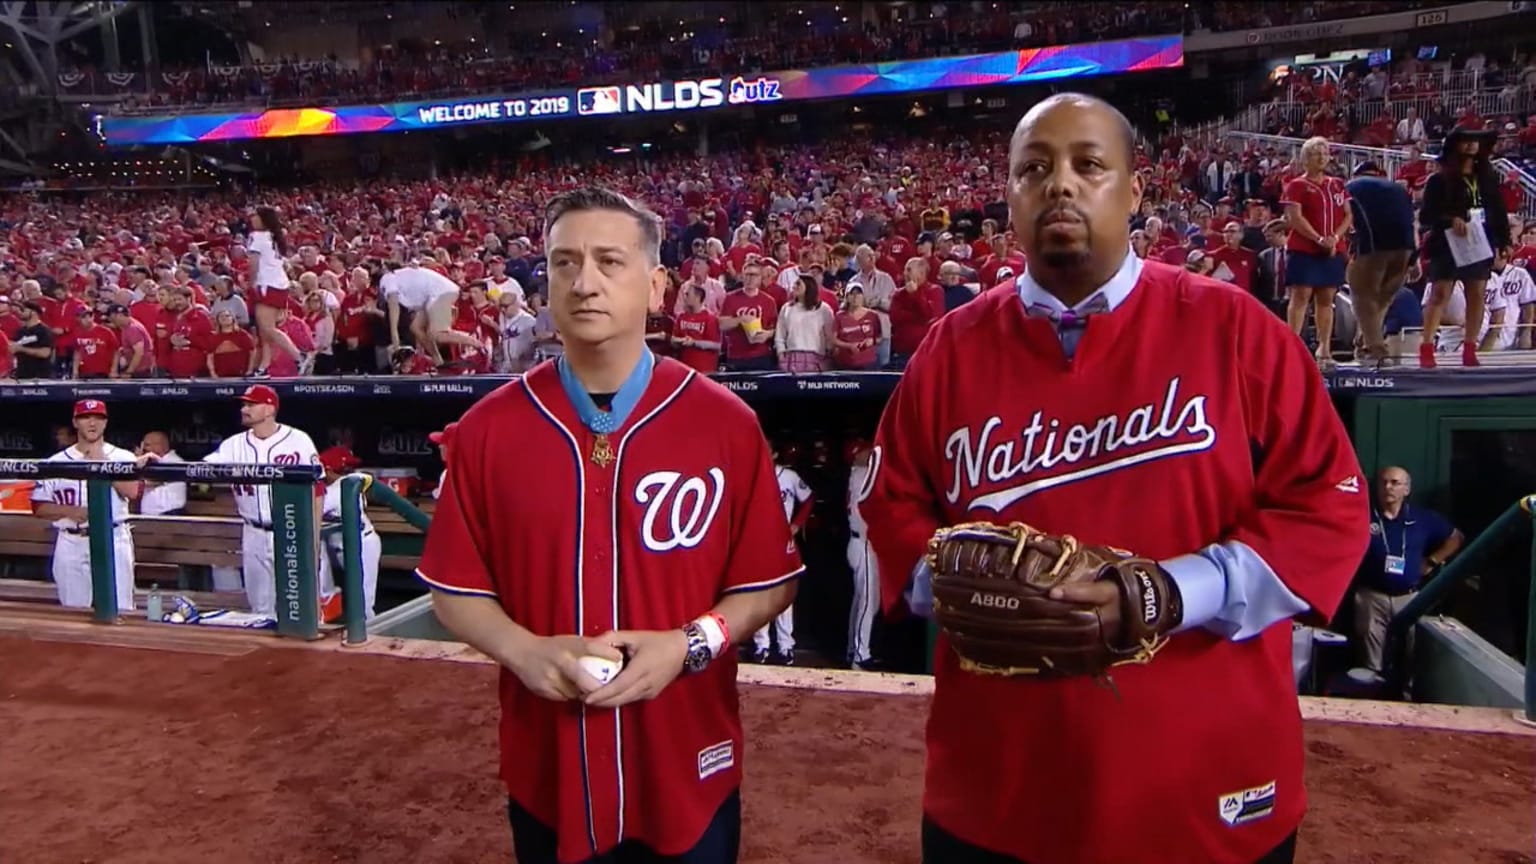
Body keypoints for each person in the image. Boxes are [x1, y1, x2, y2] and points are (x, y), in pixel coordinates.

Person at [861, 94, 1369, 864]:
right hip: (999, 786)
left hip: (1207, 784)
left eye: (1088, 165)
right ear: (1010, 195)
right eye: (1034, 169)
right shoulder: (948, 349)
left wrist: (1169, 591)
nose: (1059, 184)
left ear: (1134, 191)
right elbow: (893, 505)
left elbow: (1327, 510)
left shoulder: (1238, 329)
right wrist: (965, 583)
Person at [416, 186, 801, 864]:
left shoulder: (725, 423)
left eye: (608, 261)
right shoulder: (487, 430)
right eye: (564, 263)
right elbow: (455, 588)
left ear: (656, 286)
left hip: (688, 754)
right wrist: (522, 650)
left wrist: (690, 643)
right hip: (549, 760)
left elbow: (769, 583)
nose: (584, 282)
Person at [193, 385, 329, 620]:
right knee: (260, 608)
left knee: (300, 606)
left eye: (250, 404)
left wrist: (313, 536)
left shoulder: (298, 440)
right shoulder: (233, 445)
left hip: (290, 531)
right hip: (253, 532)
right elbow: (201, 471)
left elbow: (317, 490)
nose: (244, 409)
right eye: (244, 404)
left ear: (269, 408)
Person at [30, 400, 151, 611]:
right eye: (86, 417)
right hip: (72, 541)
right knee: (73, 611)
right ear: (75, 422)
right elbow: (39, 506)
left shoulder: (122, 457)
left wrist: (101, 462)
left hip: (113, 538)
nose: (92, 423)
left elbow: (133, 492)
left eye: (98, 418)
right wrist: (70, 511)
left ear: (105, 423)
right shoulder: (55, 462)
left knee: (120, 608)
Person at [1353, 466, 1462, 676]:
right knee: (1369, 659)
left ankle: (1407, 698)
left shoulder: (1422, 518)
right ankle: (1373, 696)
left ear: (1406, 489)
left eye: (1395, 483)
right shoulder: (1363, 516)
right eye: (1383, 482)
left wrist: (1432, 560)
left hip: (1409, 597)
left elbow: (1456, 537)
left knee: (1412, 655)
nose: (1388, 488)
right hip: (1371, 596)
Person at [1418, 127, 1509, 368]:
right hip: (1448, 242)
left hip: (1480, 240)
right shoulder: (1439, 180)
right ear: (1454, 145)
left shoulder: (1487, 179)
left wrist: (1503, 241)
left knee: (1477, 295)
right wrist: (1450, 219)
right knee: (1440, 293)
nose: (1471, 145)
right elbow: (1427, 215)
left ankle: (1470, 347)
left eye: (1475, 141)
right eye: (1466, 141)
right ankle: (1427, 346)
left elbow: (1498, 212)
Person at [1280, 136, 1353, 371]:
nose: (1321, 157)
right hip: (1305, 248)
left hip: (1332, 250)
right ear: (1304, 159)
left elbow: (1348, 214)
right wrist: (1318, 239)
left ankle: (1324, 349)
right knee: (1301, 295)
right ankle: (1292, 346)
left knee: (1326, 298)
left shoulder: (1337, 184)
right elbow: (1294, 218)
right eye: (1315, 153)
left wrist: (1335, 238)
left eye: (1324, 153)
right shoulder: (1296, 186)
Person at [1344, 162, 1416, 366]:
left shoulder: (1350, 188)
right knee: (1382, 299)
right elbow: (1413, 223)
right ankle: (1365, 341)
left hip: (1374, 247)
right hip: (1405, 250)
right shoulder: (1398, 189)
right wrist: (1414, 260)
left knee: (1363, 297)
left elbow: (1340, 218)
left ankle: (1378, 352)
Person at [319, 445, 381, 620]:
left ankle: (370, 634)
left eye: (348, 468)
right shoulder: (350, 482)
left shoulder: (339, 489)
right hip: (340, 547)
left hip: (363, 544)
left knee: (363, 601)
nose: (347, 471)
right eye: (344, 468)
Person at [382, 264, 484, 366]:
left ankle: (477, 343)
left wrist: (396, 347)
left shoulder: (388, 282)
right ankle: (438, 361)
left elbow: (393, 319)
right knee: (416, 327)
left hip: (440, 292)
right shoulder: (398, 278)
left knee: (437, 334)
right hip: (432, 295)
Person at [247, 206, 306, 378]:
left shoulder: (256, 236)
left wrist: (251, 283)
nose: (252, 218)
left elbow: (254, 264)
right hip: (279, 284)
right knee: (265, 333)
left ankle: (299, 356)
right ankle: (264, 368)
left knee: (268, 328)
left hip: (267, 285)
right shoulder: (274, 236)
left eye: (255, 215)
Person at [845, 438, 880, 671]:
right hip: (863, 543)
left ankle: (853, 650)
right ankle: (860, 654)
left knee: (861, 601)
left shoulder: (859, 473)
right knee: (868, 602)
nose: (869, 454)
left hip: (859, 543)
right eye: (865, 451)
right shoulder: (860, 475)